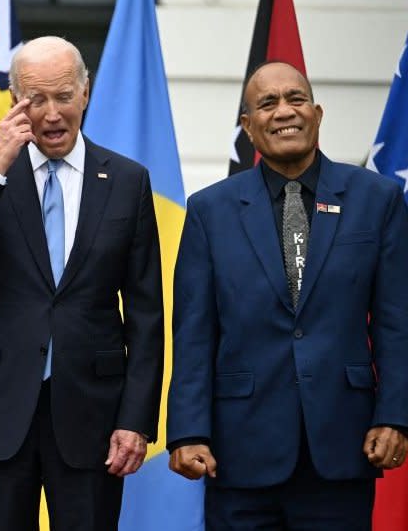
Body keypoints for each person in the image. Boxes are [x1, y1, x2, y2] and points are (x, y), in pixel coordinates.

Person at [0, 36, 164, 531]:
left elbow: (146, 314)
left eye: (62, 96)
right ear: (15, 101)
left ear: (85, 93)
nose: (51, 114)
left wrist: (136, 419)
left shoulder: (125, 180)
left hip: (92, 413)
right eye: (35, 99)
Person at [167, 61, 408, 530]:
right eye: (267, 103)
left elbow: (397, 323)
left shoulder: (377, 199)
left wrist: (396, 416)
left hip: (344, 446)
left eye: (296, 99)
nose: (284, 111)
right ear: (248, 127)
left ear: (317, 113)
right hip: (239, 453)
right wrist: (189, 431)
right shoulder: (210, 210)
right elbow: (194, 333)